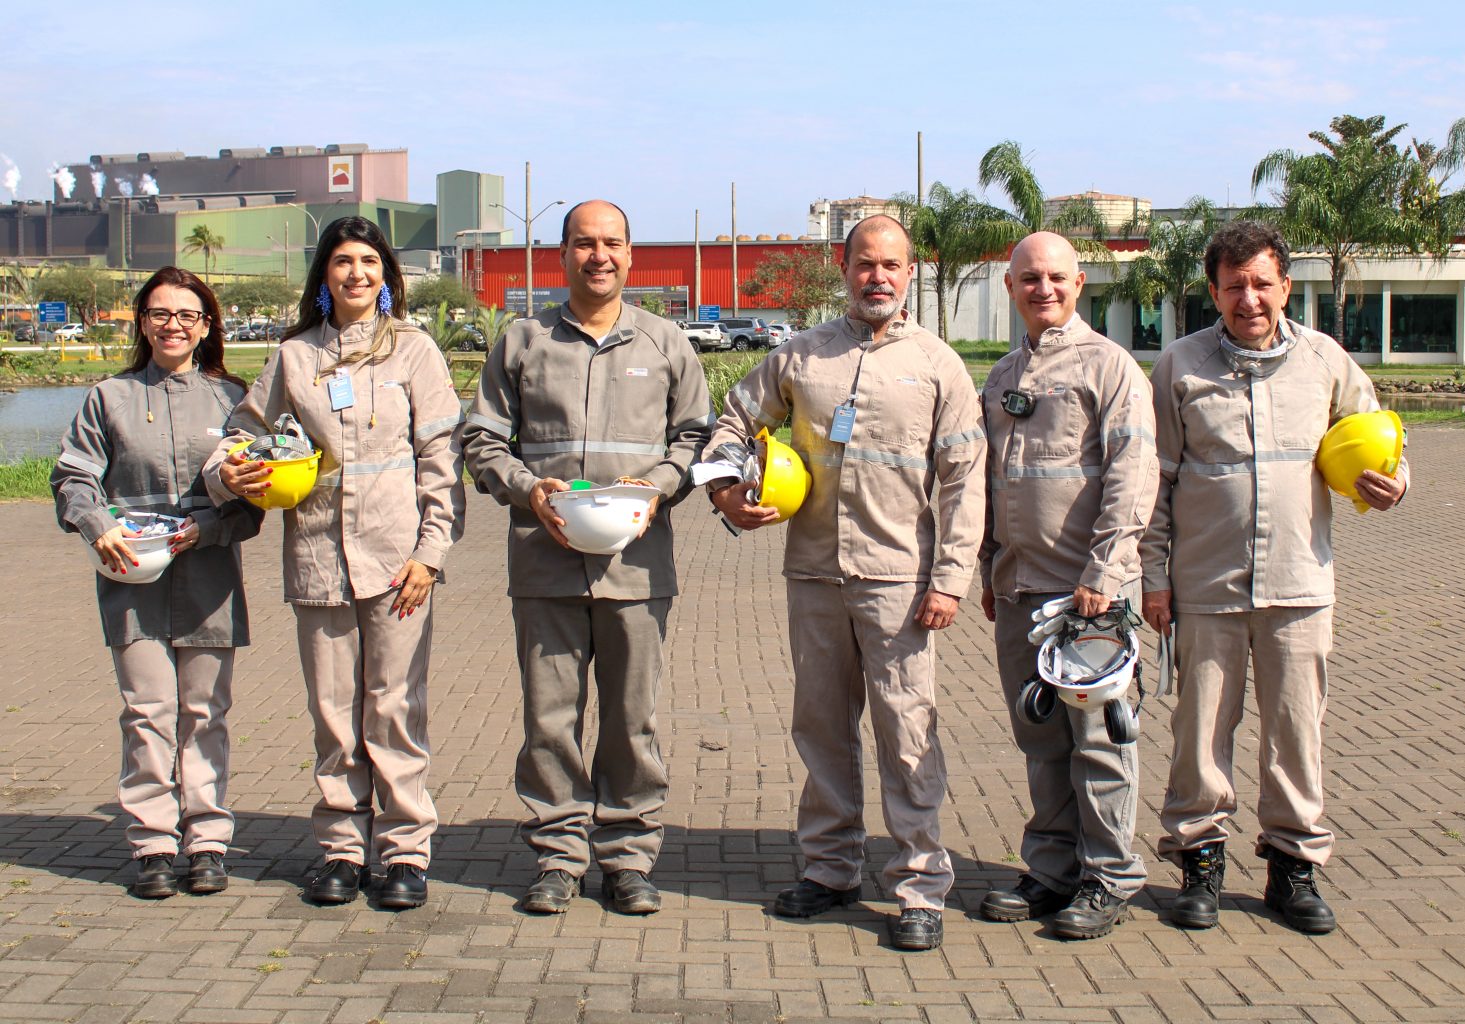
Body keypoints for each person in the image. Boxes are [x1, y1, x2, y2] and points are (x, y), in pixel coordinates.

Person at [707, 215, 986, 952]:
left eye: (892, 265)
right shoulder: (800, 356)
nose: (879, 277)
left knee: (906, 731)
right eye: (866, 264)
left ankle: (920, 886)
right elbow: (731, 425)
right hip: (814, 577)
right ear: (845, 266)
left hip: (901, 581)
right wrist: (730, 493)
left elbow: (964, 481)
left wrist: (951, 578)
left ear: (910, 271)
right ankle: (830, 871)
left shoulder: (937, 365)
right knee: (823, 729)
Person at [1140, 221, 1408, 935]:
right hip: (1206, 586)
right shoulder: (1179, 366)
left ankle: (1294, 866)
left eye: (1262, 283)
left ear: (1286, 285)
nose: (1249, 299)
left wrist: (1395, 482)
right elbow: (1155, 483)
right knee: (1200, 732)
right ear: (1214, 291)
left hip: (1298, 583)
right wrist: (1153, 579)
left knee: (1296, 732)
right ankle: (1199, 860)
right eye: (1234, 286)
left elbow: (1378, 435)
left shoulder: (1325, 361)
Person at [206, 216, 465, 910]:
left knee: (395, 708)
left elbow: (442, 461)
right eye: (343, 262)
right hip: (319, 557)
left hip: (397, 562)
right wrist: (230, 475)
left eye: (369, 263)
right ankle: (342, 850)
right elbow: (239, 435)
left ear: (387, 277)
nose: (356, 273)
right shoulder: (295, 358)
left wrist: (430, 553)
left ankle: (406, 851)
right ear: (324, 276)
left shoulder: (415, 352)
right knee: (333, 713)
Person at [461, 200, 710, 916]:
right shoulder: (523, 341)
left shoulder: (664, 342)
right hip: (544, 562)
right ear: (560, 254)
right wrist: (526, 489)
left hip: (637, 568)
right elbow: (481, 441)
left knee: (633, 722)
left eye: (610, 243)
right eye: (582, 243)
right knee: (550, 722)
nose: (597, 255)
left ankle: (628, 858)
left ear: (630, 255)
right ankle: (559, 856)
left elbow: (695, 439)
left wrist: (659, 487)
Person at [52, 266, 263, 899]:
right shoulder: (108, 398)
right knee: (147, 712)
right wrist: (95, 525)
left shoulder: (234, 401)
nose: (174, 326)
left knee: (205, 713)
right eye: (161, 314)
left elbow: (252, 501)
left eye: (188, 316)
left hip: (209, 579)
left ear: (206, 327)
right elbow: (73, 477)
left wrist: (207, 526)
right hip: (132, 578)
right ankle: (152, 843)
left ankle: (206, 842)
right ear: (143, 321)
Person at [976, 232, 1159, 939]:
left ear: (1079, 283)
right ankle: (1052, 870)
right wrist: (993, 563)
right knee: (1041, 738)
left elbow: (1131, 475)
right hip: (1021, 589)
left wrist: (1106, 575)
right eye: (1029, 278)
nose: (1043, 288)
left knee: (1100, 744)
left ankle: (1109, 875)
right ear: (1010, 287)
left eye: (1056, 277)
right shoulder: (1000, 376)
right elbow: (995, 481)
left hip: (1088, 597)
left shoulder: (1110, 368)